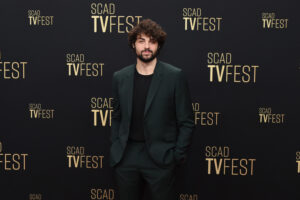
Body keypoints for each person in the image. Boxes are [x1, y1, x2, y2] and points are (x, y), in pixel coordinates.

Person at [110, 18, 195, 200]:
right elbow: (116, 116)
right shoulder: (120, 77)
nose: (147, 46)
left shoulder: (175, 77)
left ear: (158, 45)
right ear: (133, 44)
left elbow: (187, 121)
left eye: (152, 41)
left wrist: (176, 155)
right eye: (141, 41)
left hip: (161, 158)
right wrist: (115, 147)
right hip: (126, 157)